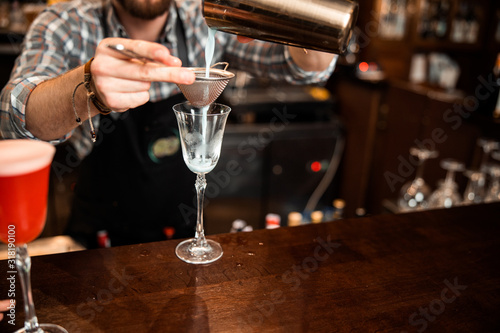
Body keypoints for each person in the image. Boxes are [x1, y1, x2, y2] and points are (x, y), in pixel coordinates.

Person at [0, 0, 337, 248]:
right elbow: (14, 116)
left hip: (180, 238)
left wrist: (303, 12)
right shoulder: (67, 23)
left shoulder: (207, 17)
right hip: (95, 243)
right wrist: (84, 88)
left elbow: (305, 68)